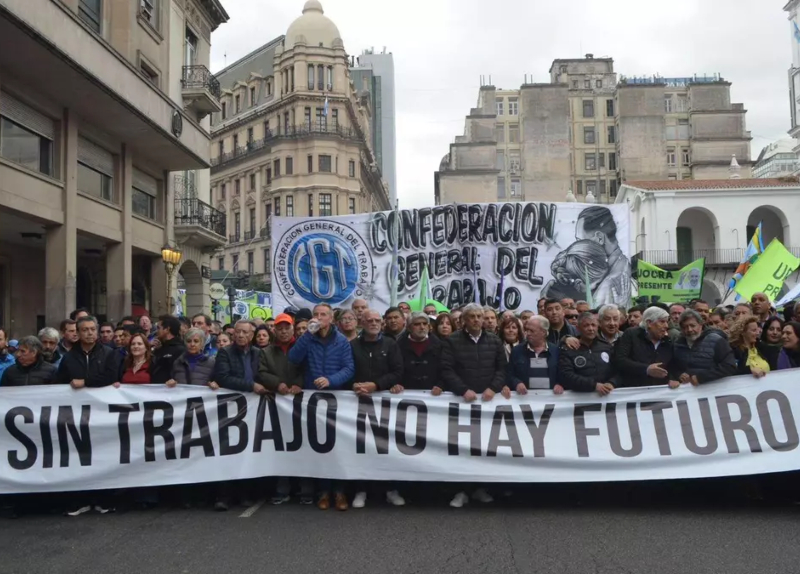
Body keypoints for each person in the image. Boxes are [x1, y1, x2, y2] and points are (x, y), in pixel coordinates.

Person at [288, 303, 354, 512]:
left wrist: (331, 380)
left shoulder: (341, 341)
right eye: (315, 314)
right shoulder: (308, 338)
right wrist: (307, 335)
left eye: (323, 314)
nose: (318, 317)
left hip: (336, 399)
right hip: (313, 399)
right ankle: (324, 491)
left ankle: (340, 491)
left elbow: (349, 368)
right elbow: (293, 358)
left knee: (338, 447)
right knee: (320, 446)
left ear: (331, 319)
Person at [441, 303, 506, 508]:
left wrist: (493, 388)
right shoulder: (452, 340)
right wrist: (463, 390)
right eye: (472, 316)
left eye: (480, 316)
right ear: (464, 320)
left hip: (487, 403)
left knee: (484, 447)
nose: (477, 320)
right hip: (463, 403)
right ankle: (461, 490)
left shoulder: (494, 340)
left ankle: (480, 488)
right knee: (462, 448)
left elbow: (502, 369)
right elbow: (446, 369)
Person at [349, 309, 405, 509]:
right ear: (362, 323)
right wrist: (353, 385)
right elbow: (347, 370)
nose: (373, 323)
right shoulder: (353, 345)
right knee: (361, 448)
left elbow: (398, 371)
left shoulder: (390, 344)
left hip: (384, 405)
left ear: (382, 323)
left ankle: (390, 489)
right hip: (358, 404)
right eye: (369, 320)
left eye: (376, 320)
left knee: (386, 448)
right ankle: (361, 490)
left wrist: (377, 385)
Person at [212, 320, 264, 511]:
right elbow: (223, 377)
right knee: (228, 449)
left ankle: (245, 494)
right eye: (238, 332)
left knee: (248, 450)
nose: (241, 335)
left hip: (252, 407)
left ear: (251, 335)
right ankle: (224, 495)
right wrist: (251, 386)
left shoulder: (258, 353)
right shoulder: (225, 353)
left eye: (245, 332)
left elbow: (263, 374)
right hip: (231, 407)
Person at [256, 314, 306, 506]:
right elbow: (262, 372)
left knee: (304, 445)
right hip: (277, 405)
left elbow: (308, 368)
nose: (284, 332)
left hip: (300, 403)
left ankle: (306, 488)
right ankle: (282, 488)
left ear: (293, 329)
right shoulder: (266, 352)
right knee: (280, 446)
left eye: (287, 328)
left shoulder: (302, 348)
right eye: (280, 328)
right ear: (274, 331)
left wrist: (299, 384)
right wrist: (278, 384)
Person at [575, 206, 630, 306]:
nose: (578, 248)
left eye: (580, 241)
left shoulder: (610, 284)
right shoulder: (620, 264)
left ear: (600, 238)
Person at [614, 307, 678, 388]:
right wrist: (646, 369)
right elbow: (620, 360)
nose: (666, 326)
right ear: (649, 323)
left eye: (666, 322)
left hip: (659, 391)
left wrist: (672, 378)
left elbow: (673, 366)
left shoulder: (668, 342)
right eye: (662, 322)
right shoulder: (632, 334)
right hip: (634, 390)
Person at [672, 309, 737, 387]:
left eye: (692, 326)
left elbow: (729, 366)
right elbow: (674, 367)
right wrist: (679, 375)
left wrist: (701, 378)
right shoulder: (678, 344)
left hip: (713, 389)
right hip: (688, 391)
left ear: (701, 325)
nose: (689, 330)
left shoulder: (716, 340)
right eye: (685, 327)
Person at [558, 313, 616, 395]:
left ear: (598, 326)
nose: (591, 329)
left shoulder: (606, 346)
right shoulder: (568, 348)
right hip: (580, 398)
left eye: (593, 325)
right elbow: (566, 375)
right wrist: (594, 385)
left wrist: (612, 383)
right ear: (578, 328)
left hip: (607, 396)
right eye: (586, 325)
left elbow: (618, 370)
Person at [57, 316, 118, 389]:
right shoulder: (69, 357)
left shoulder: (108, 353)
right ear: (78, 332)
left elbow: (112, 377)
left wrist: (85, 382)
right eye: (85, 330)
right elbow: (60, 382)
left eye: (93, 329)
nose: (90, 333)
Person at [505, 315, 560, 394]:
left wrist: (560, 384)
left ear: (543, 332)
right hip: (525, 398)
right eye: (527, 330)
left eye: (532, 331)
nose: (528, 333)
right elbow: (509, 374)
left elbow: (563, 373)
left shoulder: (556, 351)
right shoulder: (517, 351)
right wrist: (517, 383)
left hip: (551, 398)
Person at [395, 312, 446, 395]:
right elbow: (394, 369)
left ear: (429, 326)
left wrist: (441, 385)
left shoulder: (440, 345)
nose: (422, 327)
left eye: (425, 324)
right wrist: (395, 384)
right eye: (417, 324)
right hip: (405, 393)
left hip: (433, 394)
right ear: (409, 328)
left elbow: (446, 369)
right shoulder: (398, 345)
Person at [151, 315, 186, 386]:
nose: (156, 331)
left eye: (158, 328)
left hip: (171, 389)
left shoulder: (180, 350)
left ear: (167, 329)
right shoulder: (159, 348)